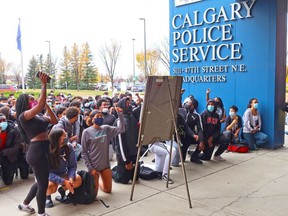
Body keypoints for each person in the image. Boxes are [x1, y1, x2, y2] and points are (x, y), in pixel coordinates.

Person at [17, 72, 58, 216]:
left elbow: (54, 121)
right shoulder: (24, 116)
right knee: (43, 184)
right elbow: (39, 105)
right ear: (25, 103)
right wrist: (43, 84)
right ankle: (41, 213)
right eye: (31, 100)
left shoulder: (39, 116)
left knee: (42, 181)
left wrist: (46, 104)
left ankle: (24, 204)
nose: (34, 101)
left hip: (43, 150)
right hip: (36, 152)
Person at [81, 108, 124, 196]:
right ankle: (95, 182)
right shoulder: (86, 132)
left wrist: (120, 115)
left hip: (105, 165)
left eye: (101, 116)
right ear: (92, 119)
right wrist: (90, 168)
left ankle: (100, 181)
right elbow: (84, 152)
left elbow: (121, 129)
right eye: (97, 116)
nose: (100, 118)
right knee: (94, 195)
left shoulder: (106, 128)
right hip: (94, 166)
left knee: (108, 190)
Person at [45, 129, 82, 208]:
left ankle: (62, 191)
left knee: (77, 180)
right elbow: (45, 172)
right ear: (57, 139)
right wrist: (64, 181)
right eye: (64, 136)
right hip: (48, 175)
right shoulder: (46, 150)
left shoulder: (69, 147)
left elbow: (72, 165)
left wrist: (71, 177)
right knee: (51, 186)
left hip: (62, 172)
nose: (67, 138)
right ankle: (47, 197)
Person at [112, 97, 139, 184]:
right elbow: (120, 144)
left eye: (130, 103)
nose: (129, 105)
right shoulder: (120, 121)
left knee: (135, 177)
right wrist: (126, 161)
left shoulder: (132, 117)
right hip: (124, 155)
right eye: (127, 104)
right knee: (123, 180)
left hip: (134, 152)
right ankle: (110, 172)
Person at [0, 113, 22, 185]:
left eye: (4, 120)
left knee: (8, 182)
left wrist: (4, 152)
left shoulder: (14, 129)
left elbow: (17, 145)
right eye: (0, 121)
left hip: (8, 154)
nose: (2, 122)